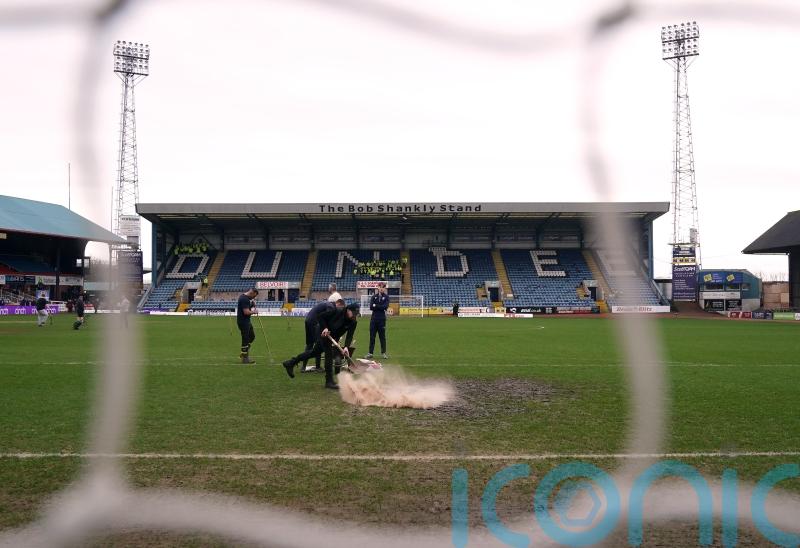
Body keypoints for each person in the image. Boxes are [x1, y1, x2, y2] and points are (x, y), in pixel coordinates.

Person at [282, 301, 358, 390]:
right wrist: (325, 328)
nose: (354, 316)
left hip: (333, 336)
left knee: (313, 352)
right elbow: (320, 317)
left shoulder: (353, 322)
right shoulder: (337, 311)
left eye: (356, 314)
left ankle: (290, 363)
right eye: (353, 313)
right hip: (323, 332)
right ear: (348, 310)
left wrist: (346, 347)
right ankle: (329, 381)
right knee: (329, 355)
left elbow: (349, 336)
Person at [300, 300, 337, 373]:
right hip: (314, 322)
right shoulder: (331, 306)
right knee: (319, 344)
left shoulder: (324, 303)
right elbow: (325, 317)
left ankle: (303, 367)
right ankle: (317, 367)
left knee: (309, 344)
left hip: (308, 321)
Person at [366, 282, 389, 359]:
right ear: (378, 288)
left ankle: (383, 353)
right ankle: (370, 353)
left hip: (382, 320)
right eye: (380, 287)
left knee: (382, 337)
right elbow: (371, 307)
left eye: (383, 287)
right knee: (372, 337)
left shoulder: (386, 297)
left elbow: (385, 307)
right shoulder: (373, 297)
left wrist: (376, 305)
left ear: (385, 288)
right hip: (373, 319)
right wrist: (379, 306)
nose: (381, 288)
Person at [236, 288, 259, 364]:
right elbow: (246, 312)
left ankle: (244, 351)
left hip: (247, 321)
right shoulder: (244, 299)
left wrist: (251, 305)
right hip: (243, 322)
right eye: (254, 296)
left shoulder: (245, 298)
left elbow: (246, 307)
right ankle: (245, 358)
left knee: (252, 337)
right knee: (245, 339)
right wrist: (254, 312)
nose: (253, 298)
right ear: (252, 293)